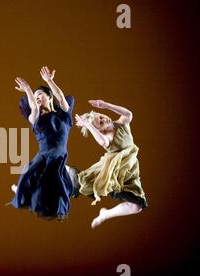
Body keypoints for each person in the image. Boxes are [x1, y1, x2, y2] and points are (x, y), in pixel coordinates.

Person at [11, 66, 75, 220]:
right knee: (32, 175)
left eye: (40, 95)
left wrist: (49, 81)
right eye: (35, 96)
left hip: (60, 155)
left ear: (49, 97)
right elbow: (33, 107)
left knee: (56, 185)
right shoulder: (36, 120)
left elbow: (60, 98)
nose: (37, 98)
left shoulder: (63, 115)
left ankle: (37, 197)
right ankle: (22, 192)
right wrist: (28, 89)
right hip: (46, 155)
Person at [74, 99, 148, 228]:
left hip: (130, 170)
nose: (105, 120)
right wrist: (89, 125)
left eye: (102, 117)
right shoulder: (106, 137)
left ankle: (106, 214)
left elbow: (128, 114)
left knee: (137, 206)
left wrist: (105, 105)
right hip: (115, 172)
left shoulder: (121, 124)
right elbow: (103, 142)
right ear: (100, 130)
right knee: (83, 181)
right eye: (101, 123)